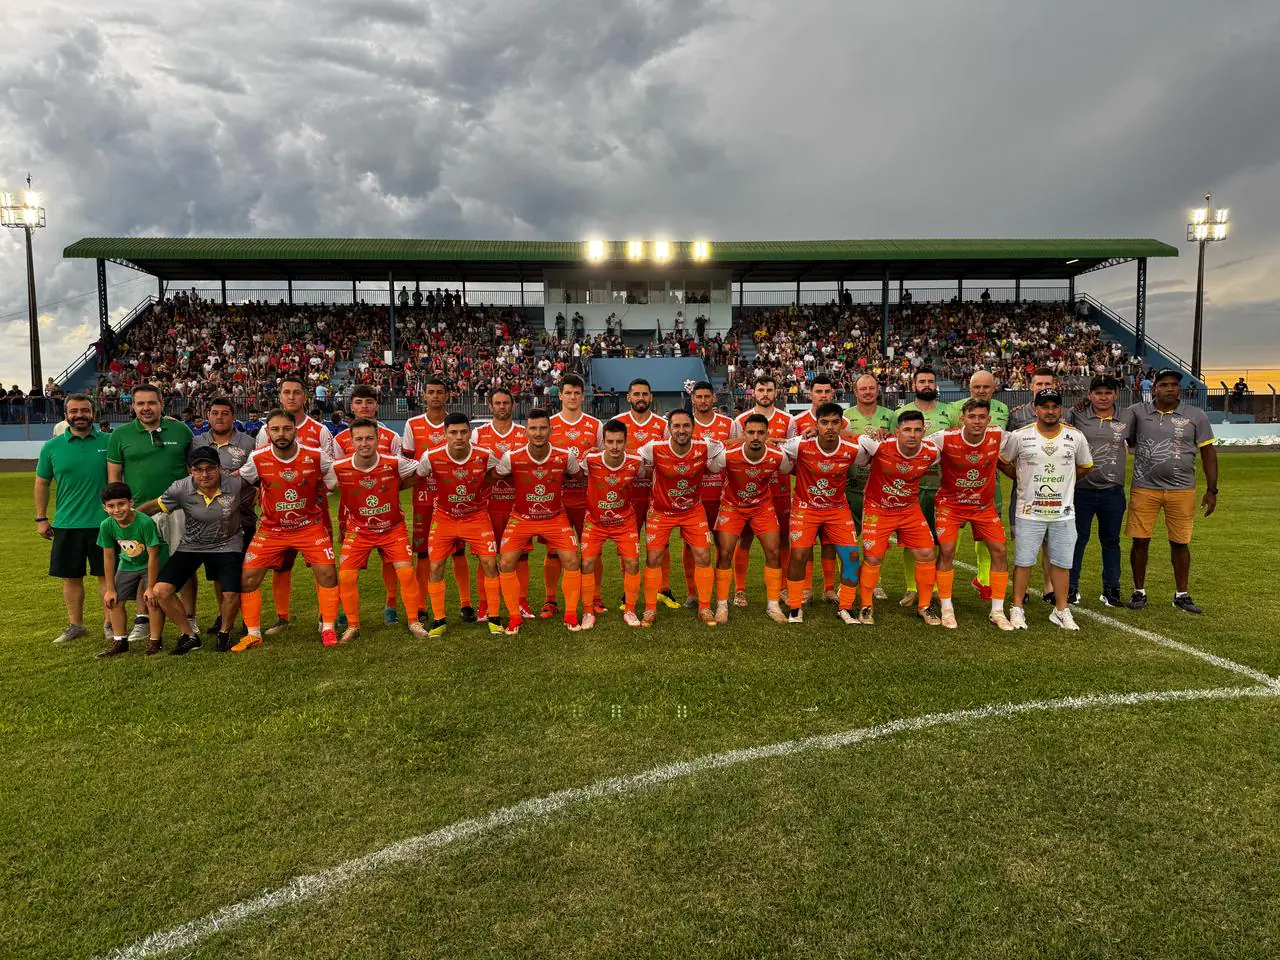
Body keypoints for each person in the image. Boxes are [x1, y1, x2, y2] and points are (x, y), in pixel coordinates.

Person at [236, 409, 341, 649]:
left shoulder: (316, 455)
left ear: (296, 431)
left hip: (309, 527)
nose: (281, 434)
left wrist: (322, 489)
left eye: (286, 428)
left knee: (327, 574)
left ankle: (328, 628)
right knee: (248, 578)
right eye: (275, 429)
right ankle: (253, 634)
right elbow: (240, 480)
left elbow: (333, 477)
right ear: (267, 432)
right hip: (272, 529)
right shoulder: (258, 458)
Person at [139, 445, 256, 654]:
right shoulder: (180, 487)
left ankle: (224, 633)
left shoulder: (236, 483)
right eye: (198, 469)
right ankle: (190, 635)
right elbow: (155, 506)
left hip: (227, 544)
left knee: (230, 592)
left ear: (219, 468)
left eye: (210, 468)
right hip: (192, 544)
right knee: (161, 591)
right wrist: (129, 519)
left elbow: (261, 486)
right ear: (190, 471)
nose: (204, 474)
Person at [997, 389, 1094, 631]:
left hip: (1063, 512)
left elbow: (1085, 466)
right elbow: (1002, 461)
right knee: (1024, 561)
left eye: (1054, 406)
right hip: (1029, 511)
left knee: (1062, 562)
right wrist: (1020, 478)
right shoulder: (1020, 436)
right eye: (1044, 407)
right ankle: (1017, 608)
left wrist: (1068, 481)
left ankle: (1061, 610)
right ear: (1035, 409)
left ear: (1060, 409)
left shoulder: (1075, 436)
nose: (1050, 411)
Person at [1124, 369, 1217, 614]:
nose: (1169, 389)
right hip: (1144, 488)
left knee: (1180, 543)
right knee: (1140, 541)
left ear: (1179, 389)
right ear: (1154, 388)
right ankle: (1139, 591)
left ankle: (1181, 595)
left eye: (1174, 385)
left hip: (1182, 489)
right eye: (1164, 384)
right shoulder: (1137, 412)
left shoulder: (1195, 415)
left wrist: (1212, 490)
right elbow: (1117, 426)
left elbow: (1208, 453)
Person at [106, 383, 196, 634]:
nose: (146, 408)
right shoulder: (120, 435)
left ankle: (190, 617)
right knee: (141, 566)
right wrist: (120, 512)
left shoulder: (181, 430)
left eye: (151, 402)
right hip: (139, 513)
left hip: (178, 511)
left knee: (185, 565)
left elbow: (193, 471)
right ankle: (143, 619)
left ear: (161, 404)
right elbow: (114, 478)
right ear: (133, 406)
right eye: (141, 403)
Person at [332, 418, 429, 642]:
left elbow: (421, 470)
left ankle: (413, 621)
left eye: (369, 438)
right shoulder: (338, 467)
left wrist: (398, 486)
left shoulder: (394, 462)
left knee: (406, 573)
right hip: (359, 531)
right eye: (359, 439)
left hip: (392, 529)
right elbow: (321, 482)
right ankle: (353, 626)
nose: (364, 443)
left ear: (378, 440)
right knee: (346, 577)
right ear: (351, 441)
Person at [252, 376, 336, 634]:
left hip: (314, 512)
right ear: (279, 396)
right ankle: (282, 617)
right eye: (286, 392)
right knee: (281, 564)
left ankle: (325, 617)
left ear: (305, 397)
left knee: (321, 566)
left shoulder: (320, 431)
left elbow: (330, 470)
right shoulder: (264, 431)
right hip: (276, 515)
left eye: (296, 392)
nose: (291, 397)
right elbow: (259, 467)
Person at [490, 408, 582, 635]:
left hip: (554, 516)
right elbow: (494, 476)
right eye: (533, 428)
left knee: (572, 560)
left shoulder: (565, 456)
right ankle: (514, 617)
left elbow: (578, 475)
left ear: (551, 430)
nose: (538, 433)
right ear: (525, 431)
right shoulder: (511, 457)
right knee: (506, 563)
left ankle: (571, 613)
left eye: (542, 428)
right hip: (522, 517)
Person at [417, 414, 504, 636]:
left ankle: (494, 617)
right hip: (444, 518)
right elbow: (416, 476)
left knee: (489, 563)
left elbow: (500, 473)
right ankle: (439, 620)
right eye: (453, 432)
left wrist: (482, 485)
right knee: (435, 567)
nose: (459, 437)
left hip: (476, 517)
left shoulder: (485, 455)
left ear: (470, 433)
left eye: (463, 432)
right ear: (444, 434)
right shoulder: (431, 456)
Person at [852, 410, 942, 626]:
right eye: (907, 430)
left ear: (924, 432)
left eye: (917, 430)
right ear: (897, 431)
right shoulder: (879, 445)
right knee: (873, 557)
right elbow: (856, 438)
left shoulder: (931, 452)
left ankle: (925, 606)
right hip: (877, 508)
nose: (912, 434)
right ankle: (866, 606)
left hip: (909, 509)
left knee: (927, 553)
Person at [637, 409, 725, 627]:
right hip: (661, 511)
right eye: (676, 426)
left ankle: (704, 607)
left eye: (686, 425)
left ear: (693, 428)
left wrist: (712, 465)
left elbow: (723, 450)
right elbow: (635, 459)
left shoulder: (705, 446)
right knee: (653, 558)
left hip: (692, 511)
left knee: (703, 556)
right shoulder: (654, 448)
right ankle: (650, 609)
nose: (681, 430)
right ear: (669, 429)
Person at [35, 394, 112, 645]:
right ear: (66, 415)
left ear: (93, 413)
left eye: (85, 410)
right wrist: (41, 518)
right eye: (74, 411)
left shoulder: (109, 442)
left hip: (104, 524)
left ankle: (110, 624)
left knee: (107, 577)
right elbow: (42, 483)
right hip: (66, 524)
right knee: (71, 577)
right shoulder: (51, 447)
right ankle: (76, 625)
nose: (80, 415)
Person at [933, 399, 1014, 630]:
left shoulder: (999, 435)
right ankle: (946, 608)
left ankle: (997, 611)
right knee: (947, 550)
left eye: (981, 417)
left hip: (983, 506)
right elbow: (917, 448)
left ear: (989, 419)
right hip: (950, 505)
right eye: (972, 417)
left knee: (1000, 550)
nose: (977, 421)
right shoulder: (944, 437)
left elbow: (1028, 442)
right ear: (962, 419)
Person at [780, 403, 862, 624]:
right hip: (806, 508)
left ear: (842, 424)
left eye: (835, 422)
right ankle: (795, 606)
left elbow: (874, 452)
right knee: (798, 555)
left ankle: (846, 607)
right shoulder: (800, 445)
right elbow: (775, 446)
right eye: (824, 422)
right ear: (815, 425)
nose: (830, 427)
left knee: (852, 556)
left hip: (837, 509)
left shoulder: (853, 448)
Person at [333, 384, 404, 627]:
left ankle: (391, 606)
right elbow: (336, 475)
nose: (364, 406)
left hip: (386, 510)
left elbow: (399, 473)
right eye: (359, 402)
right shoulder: (340, 439)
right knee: (350, 563)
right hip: (352, 511)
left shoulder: (392, 437)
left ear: (377, 406)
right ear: (351, 406)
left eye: (369, 401)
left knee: (390, 560)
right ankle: (346, 609)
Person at [403, 377, 472, 622]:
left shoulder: (457, 424)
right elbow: (408, 463)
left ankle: (466, 603)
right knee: (423, 553)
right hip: (423, 497)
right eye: (430, 392)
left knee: (458, 552)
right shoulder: (413, 424)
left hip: (453, 497)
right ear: (423, 395)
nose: (434, 396)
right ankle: (421, 605)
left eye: (439, 392)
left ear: (446, 396)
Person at [713, 414, 792, 624]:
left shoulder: (778, 456)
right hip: (732, 506)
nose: (755, 437)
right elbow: (711, 467)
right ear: (744, 434)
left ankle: (773, 605)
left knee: (773, 551)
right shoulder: (728, 455)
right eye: (751, 432)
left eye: (760, 432)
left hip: (762, 507)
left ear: (767, 434)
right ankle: (722, 605)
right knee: (724, 553)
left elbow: (787, 469)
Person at [192, 396, 258, 636]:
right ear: (208, 416)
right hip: (210, 520)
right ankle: (224, 617)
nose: (219, 417)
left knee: (245, 572)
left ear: (233, 417)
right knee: (218, 574)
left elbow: (259, 476)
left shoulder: (249, 443)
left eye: (225, 413)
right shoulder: (196, 442)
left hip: (242, 518)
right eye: (215, 413)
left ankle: (247, 619)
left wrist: (255, 492)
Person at [729, 375, 797, 606]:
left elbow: (792, 453)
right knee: (745, 539)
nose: (765, 394)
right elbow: (736, 451)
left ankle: (783, 588)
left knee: (782, 541)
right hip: (749, 492)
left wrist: (778, 446)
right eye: (761, 390)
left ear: (776, 392)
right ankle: (739, 590)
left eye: (769, 390)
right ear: (753, 392)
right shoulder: (740, 420)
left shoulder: (788, 420)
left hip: (779, 490)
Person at [893, 367, 956, 607]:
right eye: (922, 381)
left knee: (942, 540)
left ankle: (937, 588)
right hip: (912, 488)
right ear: (914, 385)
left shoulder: (950, 412)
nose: (926, 385)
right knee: (912, 540)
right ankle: (912, 588)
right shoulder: (900, 413)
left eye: (930, 381)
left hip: (942, 486)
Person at [1066, 376, 1131, 607]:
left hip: (1112, 490)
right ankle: (1071, 588)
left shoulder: (1127, 416)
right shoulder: (1077, 415)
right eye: (1098, 393)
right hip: (1081, 489)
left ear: (1116, 395)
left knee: (1111, 541)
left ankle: (1111, 590)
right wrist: (1079, 404)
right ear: (1090, 395)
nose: (1103, 397)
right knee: (1077, 539)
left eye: (1108, 392)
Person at [578, 420, 645, 630]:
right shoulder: (590, 460)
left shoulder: (636, 462)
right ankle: (588, 611)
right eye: (610, 442)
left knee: (632, 563)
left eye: (619, 442)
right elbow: (575, 473)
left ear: (626, 442)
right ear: (603, 442)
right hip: (595, 522)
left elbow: (648, 474)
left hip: (624, 522)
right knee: (587, 563)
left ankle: (630, 610)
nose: (615, 446)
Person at [949, 370, 1009, 600]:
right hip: (957, 485)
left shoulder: (1003, 409)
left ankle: (984, 580)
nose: (981, 391)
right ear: (969, 388)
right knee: (952, 536)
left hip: (988, 483)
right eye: (977, 387)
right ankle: (942, 582)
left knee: (986, 535)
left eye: (986, 387)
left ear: (994, 388)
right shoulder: (954, 408)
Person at [547, 374, 603, 617]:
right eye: (568, 393)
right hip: (557, 499)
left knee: (592, 551)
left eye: (576, 393)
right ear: (560, 395)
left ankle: (596, 597)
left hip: (586, 497)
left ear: (582, 396)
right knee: (553, 552)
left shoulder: (595, 425)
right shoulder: (549, 424)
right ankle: (550, 600)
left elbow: (604, 460)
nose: (572, 397)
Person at [612, 378, 671, 606]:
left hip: (656, 494)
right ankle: (628, 591)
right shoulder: (618, 422)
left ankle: (664, 589)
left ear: (651, 397)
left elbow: (669, 456)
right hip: (627, 495)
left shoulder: (662, 425)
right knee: (627, 544)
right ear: (628, 397)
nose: (641, 398)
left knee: (662, 544)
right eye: (636, 394)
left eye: (645, 394)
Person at [472, 389, 529, 622]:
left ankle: (521, 602)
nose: (502, 407)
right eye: (498, 403)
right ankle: (485, 605)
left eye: (506, 403)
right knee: (485, 558)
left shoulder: (524, 433)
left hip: (517, 506)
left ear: (513, 406)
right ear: (490, 406)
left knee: (521, 557)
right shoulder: (478, 434)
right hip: (487, 506)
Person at [97, 481, 168, 657]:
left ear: (131, 502)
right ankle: (120, 641)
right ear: (104, 508)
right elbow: (108, 557)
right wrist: (110, 589)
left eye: (121, 504)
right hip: (128, 563)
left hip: (153, 562)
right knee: (113, 600)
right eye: (111, 506)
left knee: (152, 599)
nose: (117, 510)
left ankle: (155, 640)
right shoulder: (106, 525)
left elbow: (153, 556)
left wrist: (150, 587)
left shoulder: (144, 522)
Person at [1006, 367, 1058, 601]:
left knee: (1050, 540)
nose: (1043, 387)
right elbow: (1006, 451)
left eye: (1048, 384)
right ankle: (1023, 588)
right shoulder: (1017, 415)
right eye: (1039, 384)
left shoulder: (1064, 413)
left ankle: (1049, 587)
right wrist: (1018, 476)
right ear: (1031, 387)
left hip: (1054, 484)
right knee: (1024, 538)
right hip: (1025, 488)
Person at [790, 374, 842, 603]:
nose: (823, 395)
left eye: (827, 391)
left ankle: (829, 588)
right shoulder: (797, 421)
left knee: (829, 542)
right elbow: (790, 453)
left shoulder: (842, 421)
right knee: (807, 543)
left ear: (833, 393)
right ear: (810, 394)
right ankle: (807, 588)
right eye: (819, 391)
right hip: (807, 495)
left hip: (834, 495)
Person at [688, 380, 735, 606]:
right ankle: (692, 592)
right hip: (693, 497)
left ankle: (721, 591)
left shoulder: (728, 423)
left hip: (723, 495)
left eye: (707, 396)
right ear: (692, 399)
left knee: (723, 545)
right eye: (699, 397)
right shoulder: (685, 424)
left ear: (714, 398)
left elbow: (736, 450)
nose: (703, 400)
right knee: (691, 547)